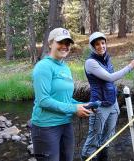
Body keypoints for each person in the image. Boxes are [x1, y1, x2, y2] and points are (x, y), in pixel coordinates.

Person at [30, 28, 92, 161]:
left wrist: (82, 105)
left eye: (67, 43)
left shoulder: (65, 67)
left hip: (66, 124)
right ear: (51, 43)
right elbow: (43, 101)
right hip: (45, 127)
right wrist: (74, 109)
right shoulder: (43, 67)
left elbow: (66, 98)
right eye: (60, 42)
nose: (65, 46)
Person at [81, 32, 134, 161]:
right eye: (97, 44)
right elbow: (110, 77)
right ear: (92, 46)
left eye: (103, 43)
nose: (101, 46)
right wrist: (130, 66)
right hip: (99, 105)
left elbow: (110, 81)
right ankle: (87, 157)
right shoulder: (90, 62)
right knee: (94, 138)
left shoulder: (107, 58)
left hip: (112, 103)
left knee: (108, 136)